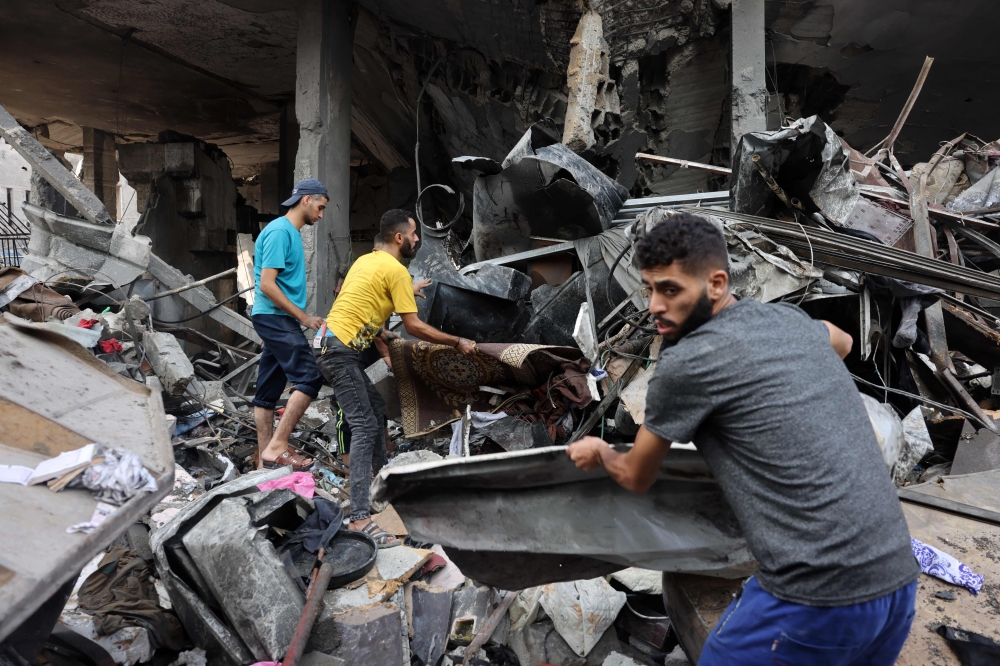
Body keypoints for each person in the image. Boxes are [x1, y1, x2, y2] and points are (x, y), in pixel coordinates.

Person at [567, 213, 919, 665]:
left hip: (816, 595)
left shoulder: (686, 365)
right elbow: (843, 340)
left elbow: (636, 476)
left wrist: (599, 451)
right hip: (896, 579)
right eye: (649, 288)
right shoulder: (787, 320)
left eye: (670, 289)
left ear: (716, 283)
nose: (654, 305)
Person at [318, 208, 476, 548]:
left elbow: (366, 306)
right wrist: (456, 341)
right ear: (400, 237)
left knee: (374, 408)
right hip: (340, 351)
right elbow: (415, 326)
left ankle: (378, 484)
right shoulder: (396, 270)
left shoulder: (367, 261)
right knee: (362, 425)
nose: (418, 238)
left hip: (329, 344)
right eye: (415, 233)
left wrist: (405, 296)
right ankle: (361, 515)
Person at [250, 178, 329, 471]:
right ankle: (278, 447)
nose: (320, 215)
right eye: (320, 207)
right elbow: (268, 285)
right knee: (310, 377)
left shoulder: (290, 233)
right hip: (276, 316)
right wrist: (304, 318)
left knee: (266, 393)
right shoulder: (280, 231)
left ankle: (263, 463)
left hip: (276, 319)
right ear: (306, 200)